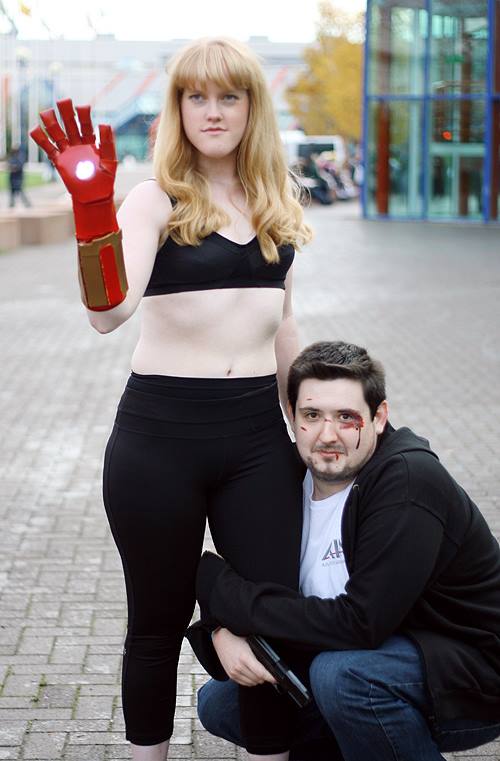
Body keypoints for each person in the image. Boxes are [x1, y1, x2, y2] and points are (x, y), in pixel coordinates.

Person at [30, 37, 312, 761]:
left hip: (258, 441)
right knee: (155, 624)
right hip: (159, 442)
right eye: (196, 97)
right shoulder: (154, 200)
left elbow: (283, 325)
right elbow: (107, 314)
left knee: (271, 619)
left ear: (252, 107)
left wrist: (312, 427)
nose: (212, 112)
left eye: (229, 96)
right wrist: (93, 213)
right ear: (177, 108)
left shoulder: (275, 199)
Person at [187, 340, 500, 761]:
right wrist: (221, 629)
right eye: (312, 415)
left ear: (379, 417)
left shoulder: (408, 481)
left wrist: (229, 601)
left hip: (471, 670)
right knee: (222, 703)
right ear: (292, 416)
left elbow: (361, 623)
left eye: (346, 417)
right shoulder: (283, 480)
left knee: (344, 679)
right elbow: (244, 574)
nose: (327, 435)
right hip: (376, 653)